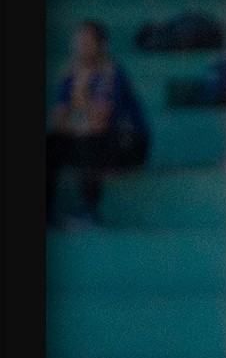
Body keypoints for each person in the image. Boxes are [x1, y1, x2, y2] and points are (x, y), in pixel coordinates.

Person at [46, 18, 151, 228]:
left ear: (100, 46)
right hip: (94, 139)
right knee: (51, 144)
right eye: (78, 43)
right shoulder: (70, 76)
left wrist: (81, 98)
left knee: (87, 139)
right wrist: (74, 119)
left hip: (128, 143)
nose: (81, 48)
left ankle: (89, 211)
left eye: (87, 43)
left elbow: (97, 123)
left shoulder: (110, 74)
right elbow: (58, 122)